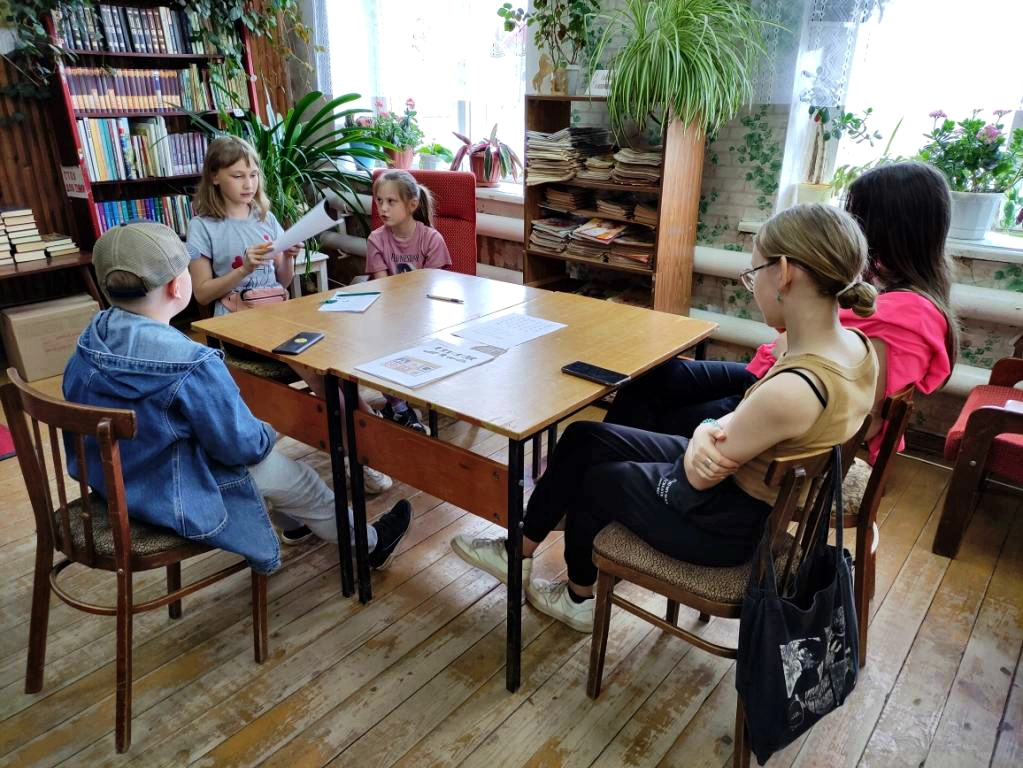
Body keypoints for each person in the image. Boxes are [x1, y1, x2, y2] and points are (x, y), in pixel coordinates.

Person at [451, 204, 879, 632]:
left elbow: (698, 476)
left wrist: (705, 432)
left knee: (594, 481)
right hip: (738, 493)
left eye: (754, 275)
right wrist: (709, 433)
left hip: (724, 526)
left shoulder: (793, 390)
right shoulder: (856, 348)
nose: (753, 288)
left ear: (783, 273)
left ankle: (578, 598)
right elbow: (725, 434)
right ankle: (517, 553)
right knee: (585, 437)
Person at [63, 222, 412, 573]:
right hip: (176, 492)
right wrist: (273, 425)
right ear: (176, 286)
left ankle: (296, 523)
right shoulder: (192, 363)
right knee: (297, 474)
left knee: (268, 451)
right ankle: (371, 545)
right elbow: (244, 449)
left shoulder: (88, 343)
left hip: (117, 482)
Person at [605, 162, 956, 464]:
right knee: (652, 377)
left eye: (856, 214)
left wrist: (730, 420)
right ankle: (622, 471)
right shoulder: (895, 295)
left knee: (645, 416)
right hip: (770, 378)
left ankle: (631, 477)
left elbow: (858, 414)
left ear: (890, 226)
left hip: (779, 398)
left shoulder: (905, 313)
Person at [186, 135, 393, 495]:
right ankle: (363, 454)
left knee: (333, 363)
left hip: (277, 315)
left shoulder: (264, 218)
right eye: (238, 176)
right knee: (317, 369)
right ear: (215, 177)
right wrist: (243, 269)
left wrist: (288, 257)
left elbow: (281, 281)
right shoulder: (203, 226)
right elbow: (202, 293)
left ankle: (368, 445)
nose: (249, 184)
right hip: (236, 324)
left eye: (253, 174)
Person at [365, 170, 453, 434]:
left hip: (427, 313)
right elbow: (383, 288)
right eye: (379, 201)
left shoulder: (431, 239)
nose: (383, 208)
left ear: (412, 205)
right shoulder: (376, 239)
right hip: (392, 313)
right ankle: (400, 408)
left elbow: (434, 288)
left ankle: (402, 404)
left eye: (391, 202)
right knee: (375, 339)